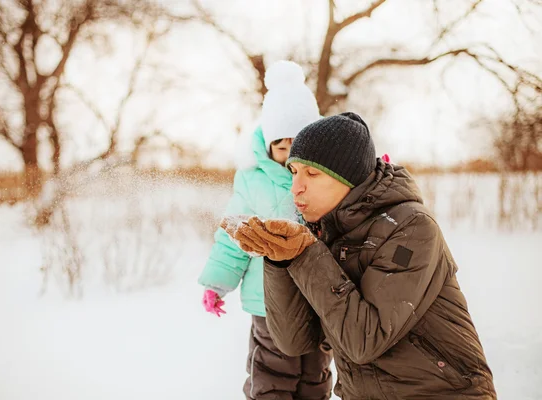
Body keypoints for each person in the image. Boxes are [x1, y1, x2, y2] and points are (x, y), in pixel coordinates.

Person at [220, 112, 497, 399]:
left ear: (348, 178)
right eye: (293, 172)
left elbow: (364, 340)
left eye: (312, 173)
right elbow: (295, 342)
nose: (296, 187)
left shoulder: (410, 228)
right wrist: (280, 260)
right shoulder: (324, 233)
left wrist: (305, 254)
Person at [198, 61, 333, 399]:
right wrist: (218, 282)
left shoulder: (329, 178)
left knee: (314, 376)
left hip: (318, 298)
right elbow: (235, 236)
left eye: (298, 146)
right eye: (281, 147)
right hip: (267, 301)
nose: (289, 157)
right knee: (273, 375)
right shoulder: (252, 179)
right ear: (268, 144)